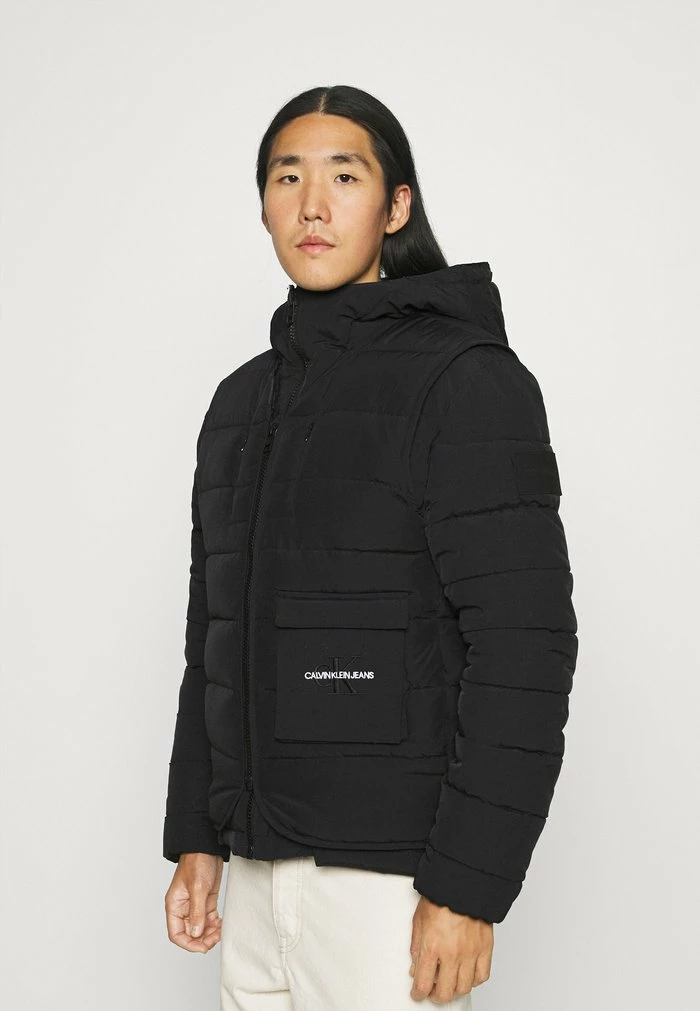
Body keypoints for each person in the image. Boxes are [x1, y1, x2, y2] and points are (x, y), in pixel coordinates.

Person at [162, 84, 578, 1009]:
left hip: (391, 891)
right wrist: (198, 833)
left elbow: (525, 645)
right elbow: (212, 638)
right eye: (288, 178)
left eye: (344, 177)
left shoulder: (466, 382)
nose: (313, 204)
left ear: (396, 207)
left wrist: (468, 886)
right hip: (253, 872)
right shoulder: (241, 403)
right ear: (263, 205)